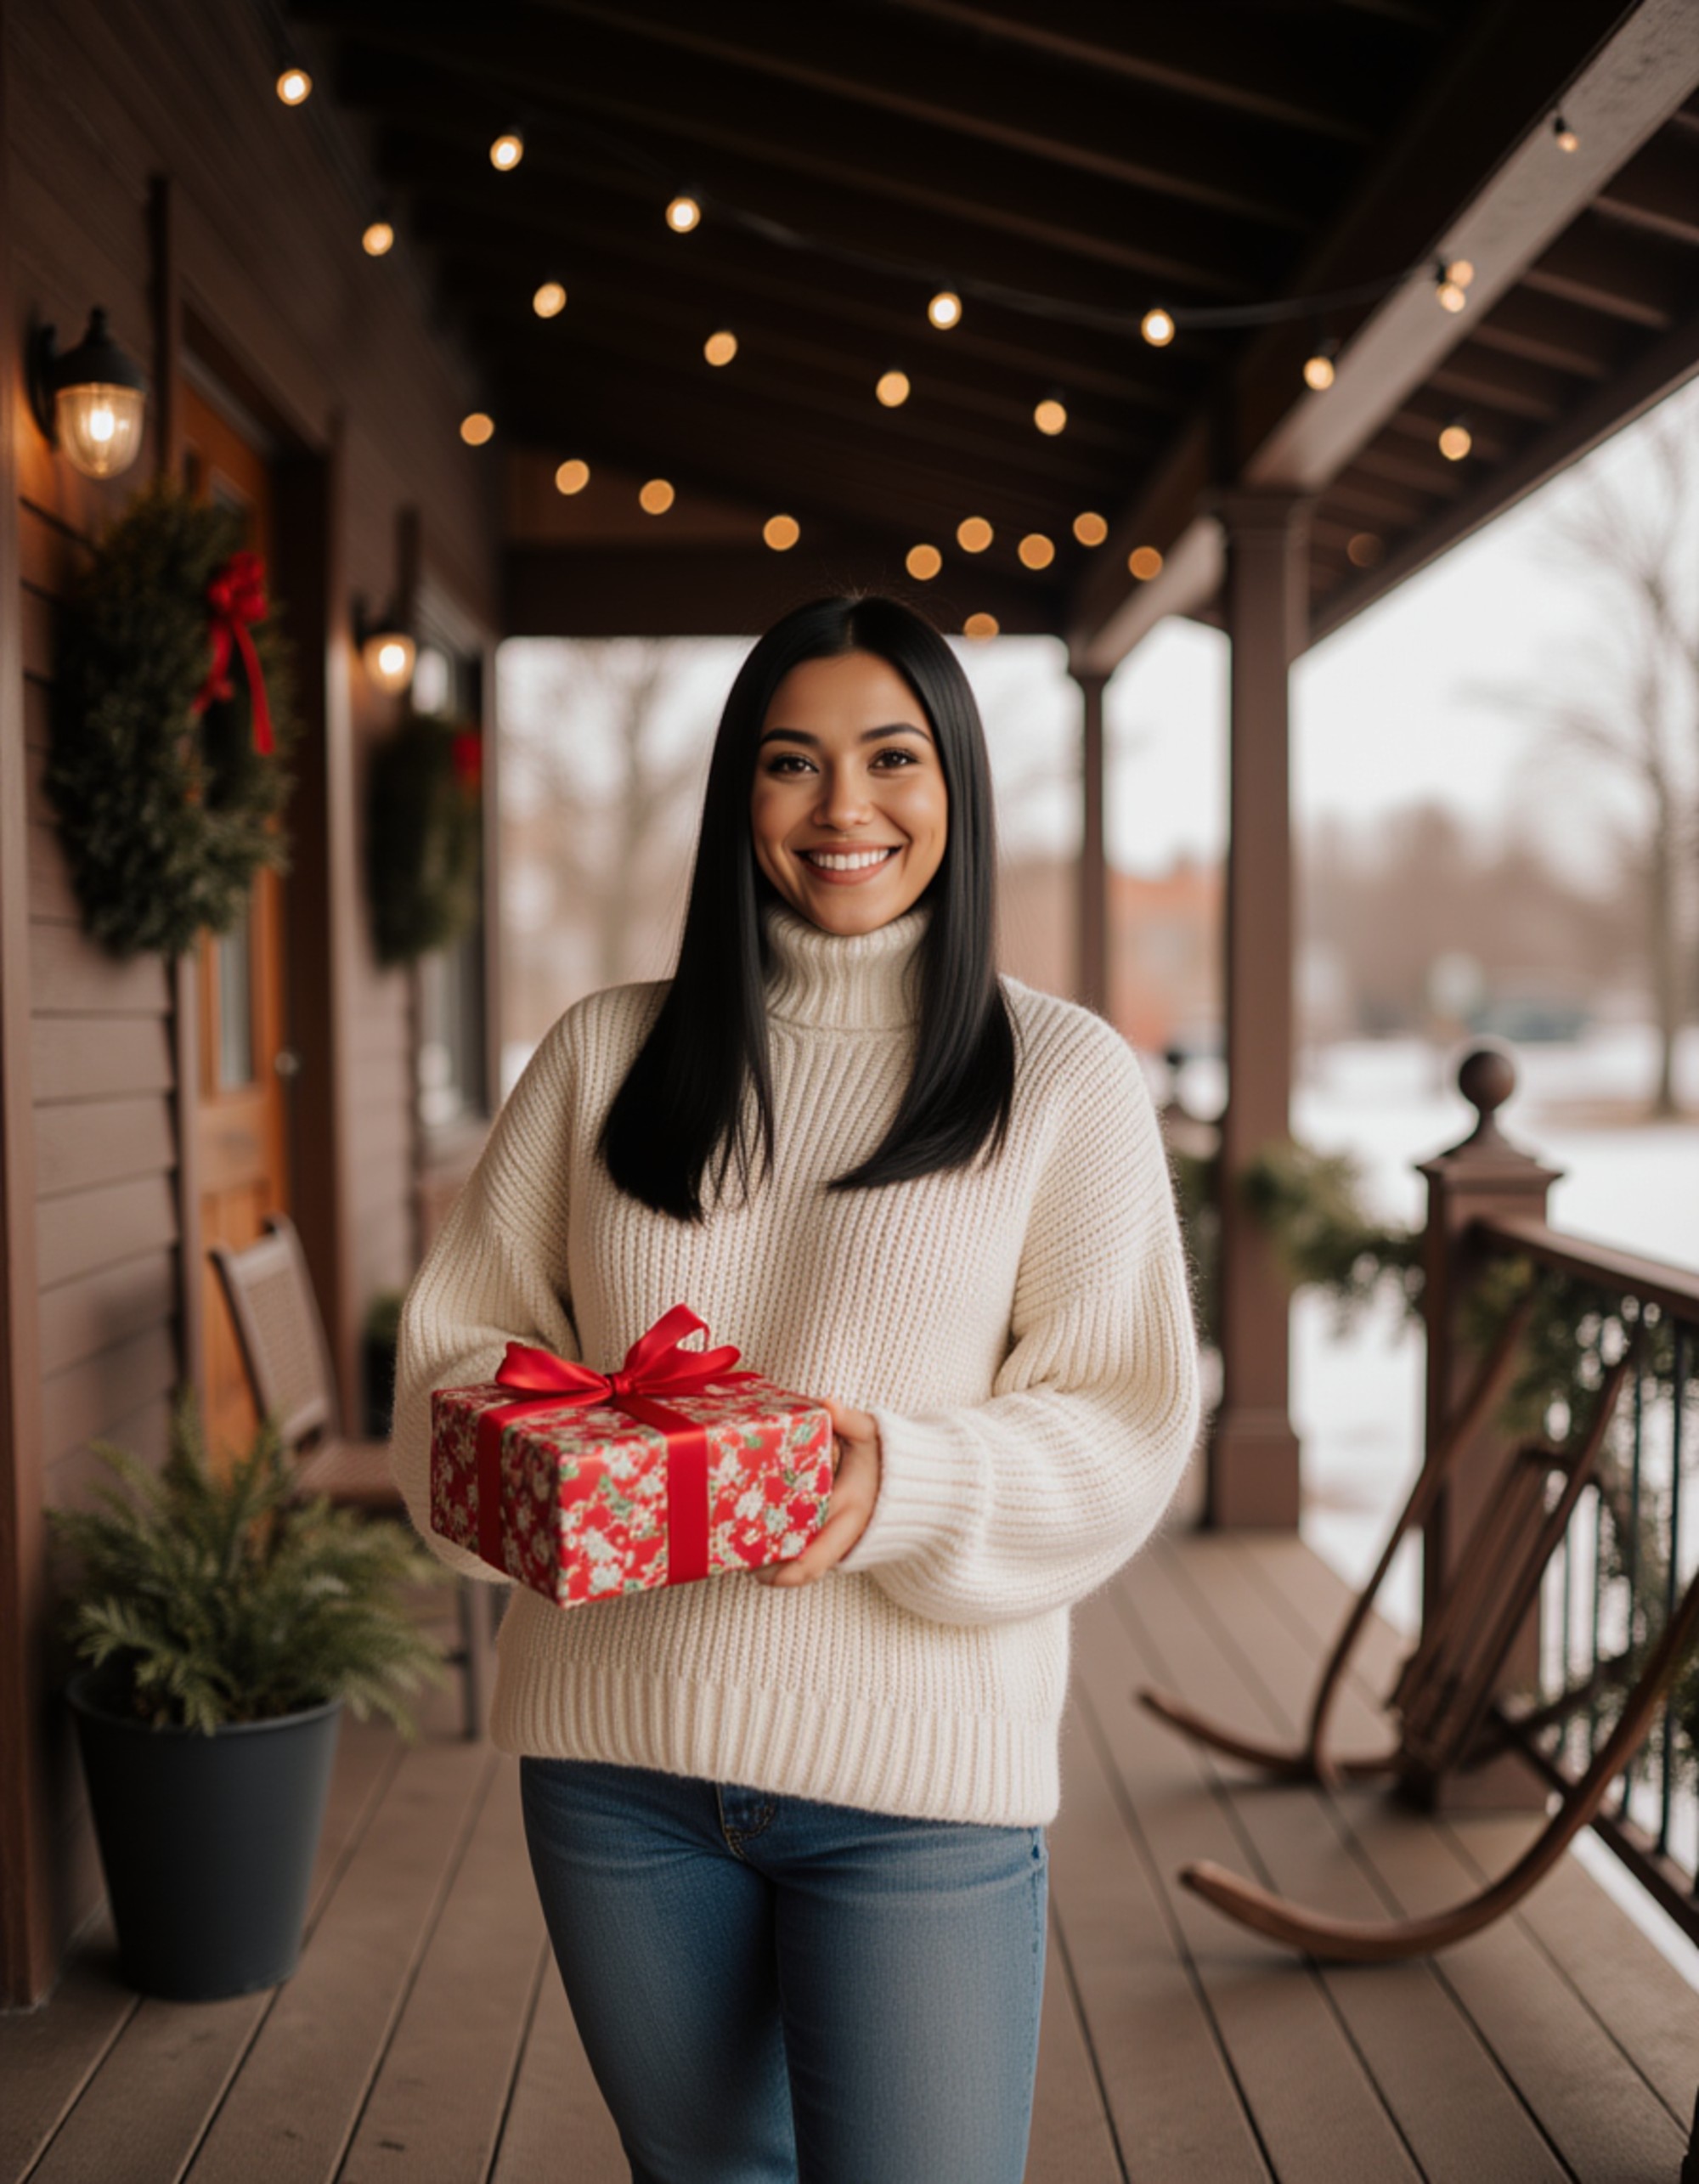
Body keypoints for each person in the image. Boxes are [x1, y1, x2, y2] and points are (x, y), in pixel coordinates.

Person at [389, 595, 1200, 2184]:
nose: (845, 809)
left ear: (955, 788)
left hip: (920, 1791)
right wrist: (560, 1458)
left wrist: (903, 1481)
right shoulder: (603, 1055)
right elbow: (461, 1347)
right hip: (620, 1767)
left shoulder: (1063, 1079)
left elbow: (1121, 1419)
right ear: (735, 800)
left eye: (892, 759)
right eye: (791, 763)